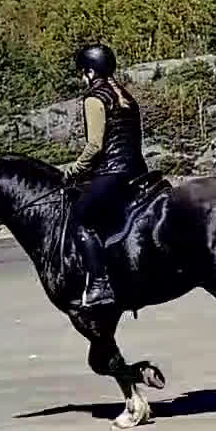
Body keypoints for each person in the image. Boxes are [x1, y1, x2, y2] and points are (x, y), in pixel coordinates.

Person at [68, 42, 145, 308]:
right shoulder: (126, 96)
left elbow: (95, 146)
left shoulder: (94, 98)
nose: (82, 77)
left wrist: (75, 169)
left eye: (83, 72)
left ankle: (100, 284)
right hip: (138, 171)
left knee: (80, 221)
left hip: (113, 172)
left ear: (90, 71)